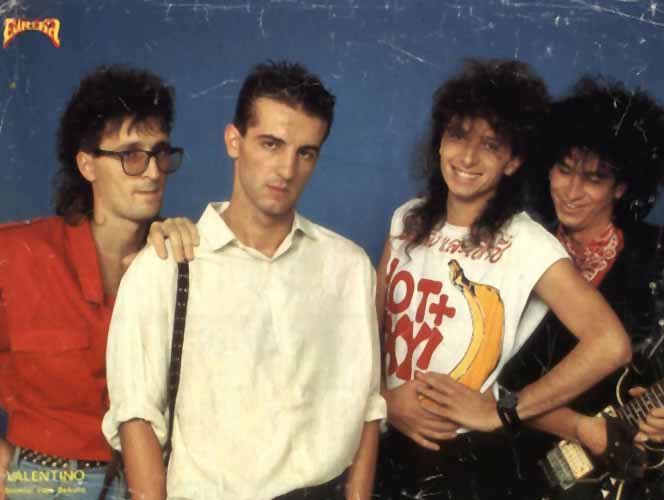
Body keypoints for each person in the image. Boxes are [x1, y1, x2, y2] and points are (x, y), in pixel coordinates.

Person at [102, 61, 385, 500]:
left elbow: (367, 407)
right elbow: (136, 417)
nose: (286, 169)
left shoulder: (347, 266)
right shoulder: (167, 266)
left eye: (305, 153)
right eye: (271, 144)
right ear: (234, 141)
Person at [372, 59, 632, 500]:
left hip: (461, 462)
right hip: (384, 434)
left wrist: (504, 412)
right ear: (440, 141)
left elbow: (610, 344)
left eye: (490, 145)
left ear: (513, 160)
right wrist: (384, 400)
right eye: (457, 135)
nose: (467, 158)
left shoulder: (528, 243)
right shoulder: (407, 218)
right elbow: (370, 328)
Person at [0, 65, 180, 500]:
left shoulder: (180, 261)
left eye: (159, 153)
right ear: (86, 164)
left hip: (156, 484)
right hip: (44, 482)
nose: (153, 172)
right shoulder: (18, 254)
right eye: (131, 155)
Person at [500, 77, 664, 500]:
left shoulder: (658, 254)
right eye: (564, 169)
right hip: (510, 462)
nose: (572, 191)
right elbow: (491, 385)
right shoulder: (517, 247)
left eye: (593, 178)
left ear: (622, 186)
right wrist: (577, 427)